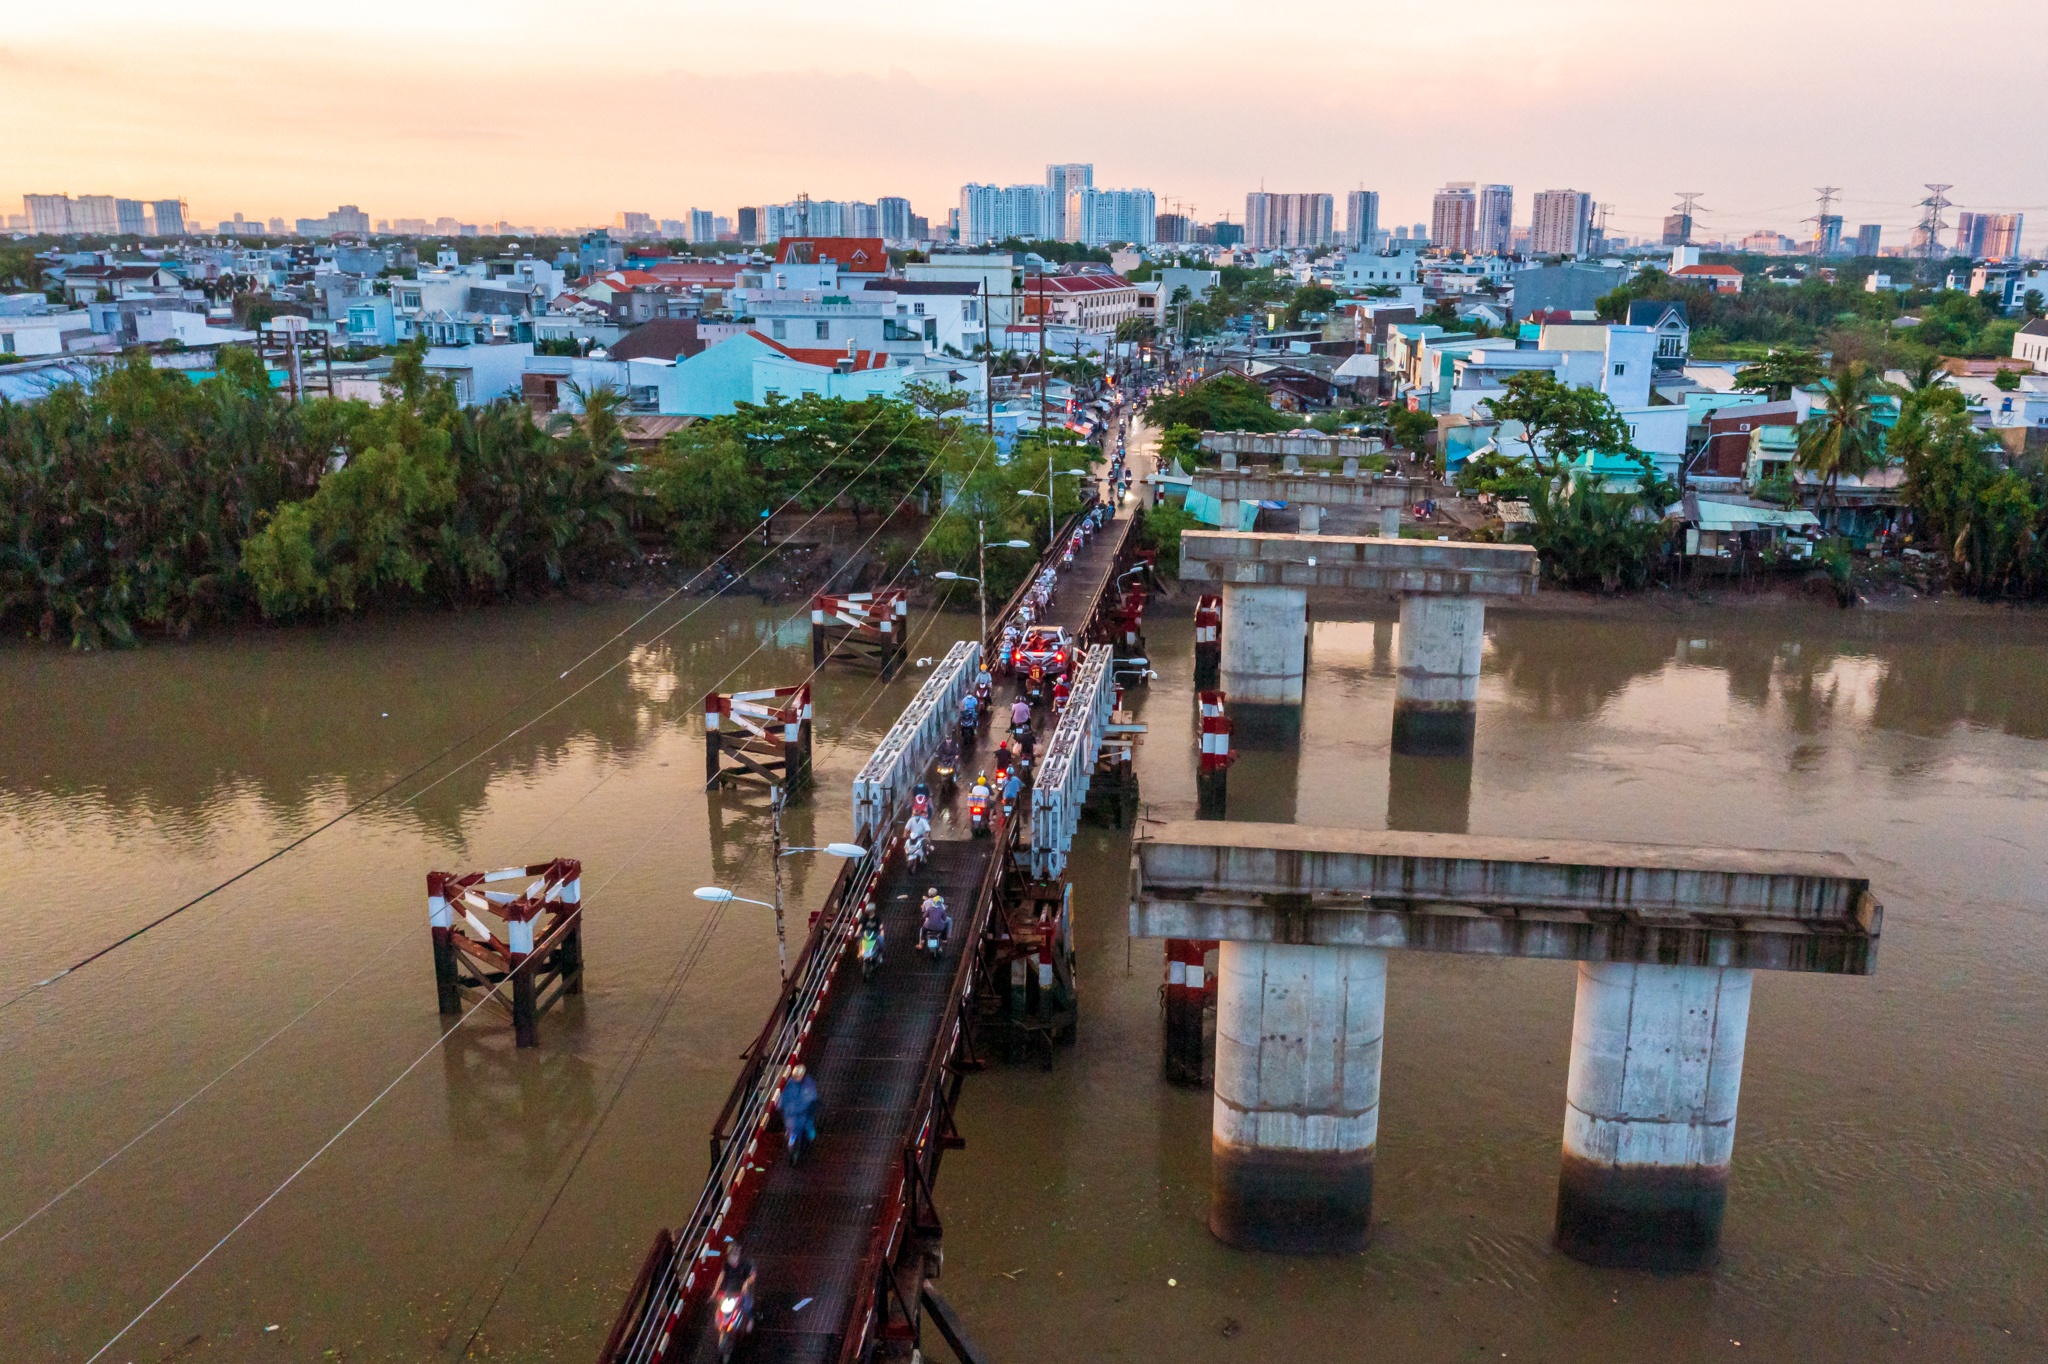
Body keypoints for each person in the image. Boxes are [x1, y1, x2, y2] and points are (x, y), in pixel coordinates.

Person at [779, 1065, 819, 1160]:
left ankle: (810, 1133)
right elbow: (785, 1095)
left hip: (803, 1109)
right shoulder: (791, 1084)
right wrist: (781, 1104)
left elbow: (812, 1094)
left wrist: (811, 1102)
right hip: (793, 1111)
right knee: (790, 1122)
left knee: (808, 1122)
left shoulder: (808, 1082)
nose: (797, 1078)